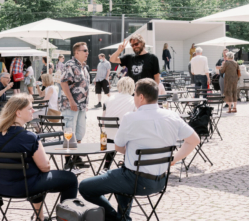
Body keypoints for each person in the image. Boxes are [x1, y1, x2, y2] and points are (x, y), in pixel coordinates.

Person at [78, 79, 201, 221]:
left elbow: (118, 147)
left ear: (141, 97)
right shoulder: (172, 116)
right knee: (121, 173)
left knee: (85, 187)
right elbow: (194, 140)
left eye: (134, 94)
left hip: (135, 181)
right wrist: (173, 160)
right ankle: (124, 217)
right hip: (160, 181)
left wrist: (131, 152)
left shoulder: (131, 118)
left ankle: (116, 218)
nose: (134, 97)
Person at [0, 94, 77, 220]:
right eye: (30, 109)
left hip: (0, 186)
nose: (33, 111)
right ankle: (65, 218)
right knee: (71, 179)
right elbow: (46, 167)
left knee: (32, 173)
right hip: (24, 187)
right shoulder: (29, 137)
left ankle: (39, 217)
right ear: (18, 113)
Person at [60, 42, 90, 147]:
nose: (87, 53)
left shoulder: (83, 67)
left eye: (87, 50)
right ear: (76, 52)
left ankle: (76, 157)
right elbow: (63, 83)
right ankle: (68, 161)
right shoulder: (70, 64)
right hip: (70, 105)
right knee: (69, 132)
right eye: (85, 50)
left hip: (81, 105)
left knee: (80, 132)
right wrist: (71, 101)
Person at [103, 77, 137, 141]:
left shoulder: (108, 99)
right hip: (125, 134)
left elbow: (103, 119)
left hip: (108, 134)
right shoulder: (133, 100)